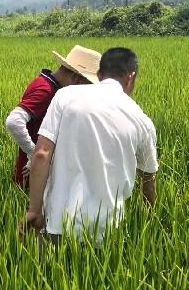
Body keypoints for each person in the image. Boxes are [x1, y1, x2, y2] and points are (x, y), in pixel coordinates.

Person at [19, 47, 158, 246]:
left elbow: (41, 154)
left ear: (99, 75)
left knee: (47, 275)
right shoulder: (142, 121)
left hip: (57, 221)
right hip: (106, 232)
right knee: (94, 277)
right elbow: (148, 181)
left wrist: (34, 209)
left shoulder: (65, 96)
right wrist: (150, 222)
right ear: (131, 78)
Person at [5, 45, 101, 188]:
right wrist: (34, 154)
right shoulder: (46, 90)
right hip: (34, 175)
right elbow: (14, 121)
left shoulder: (49, 84)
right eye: (86, 85)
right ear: (76, 78)